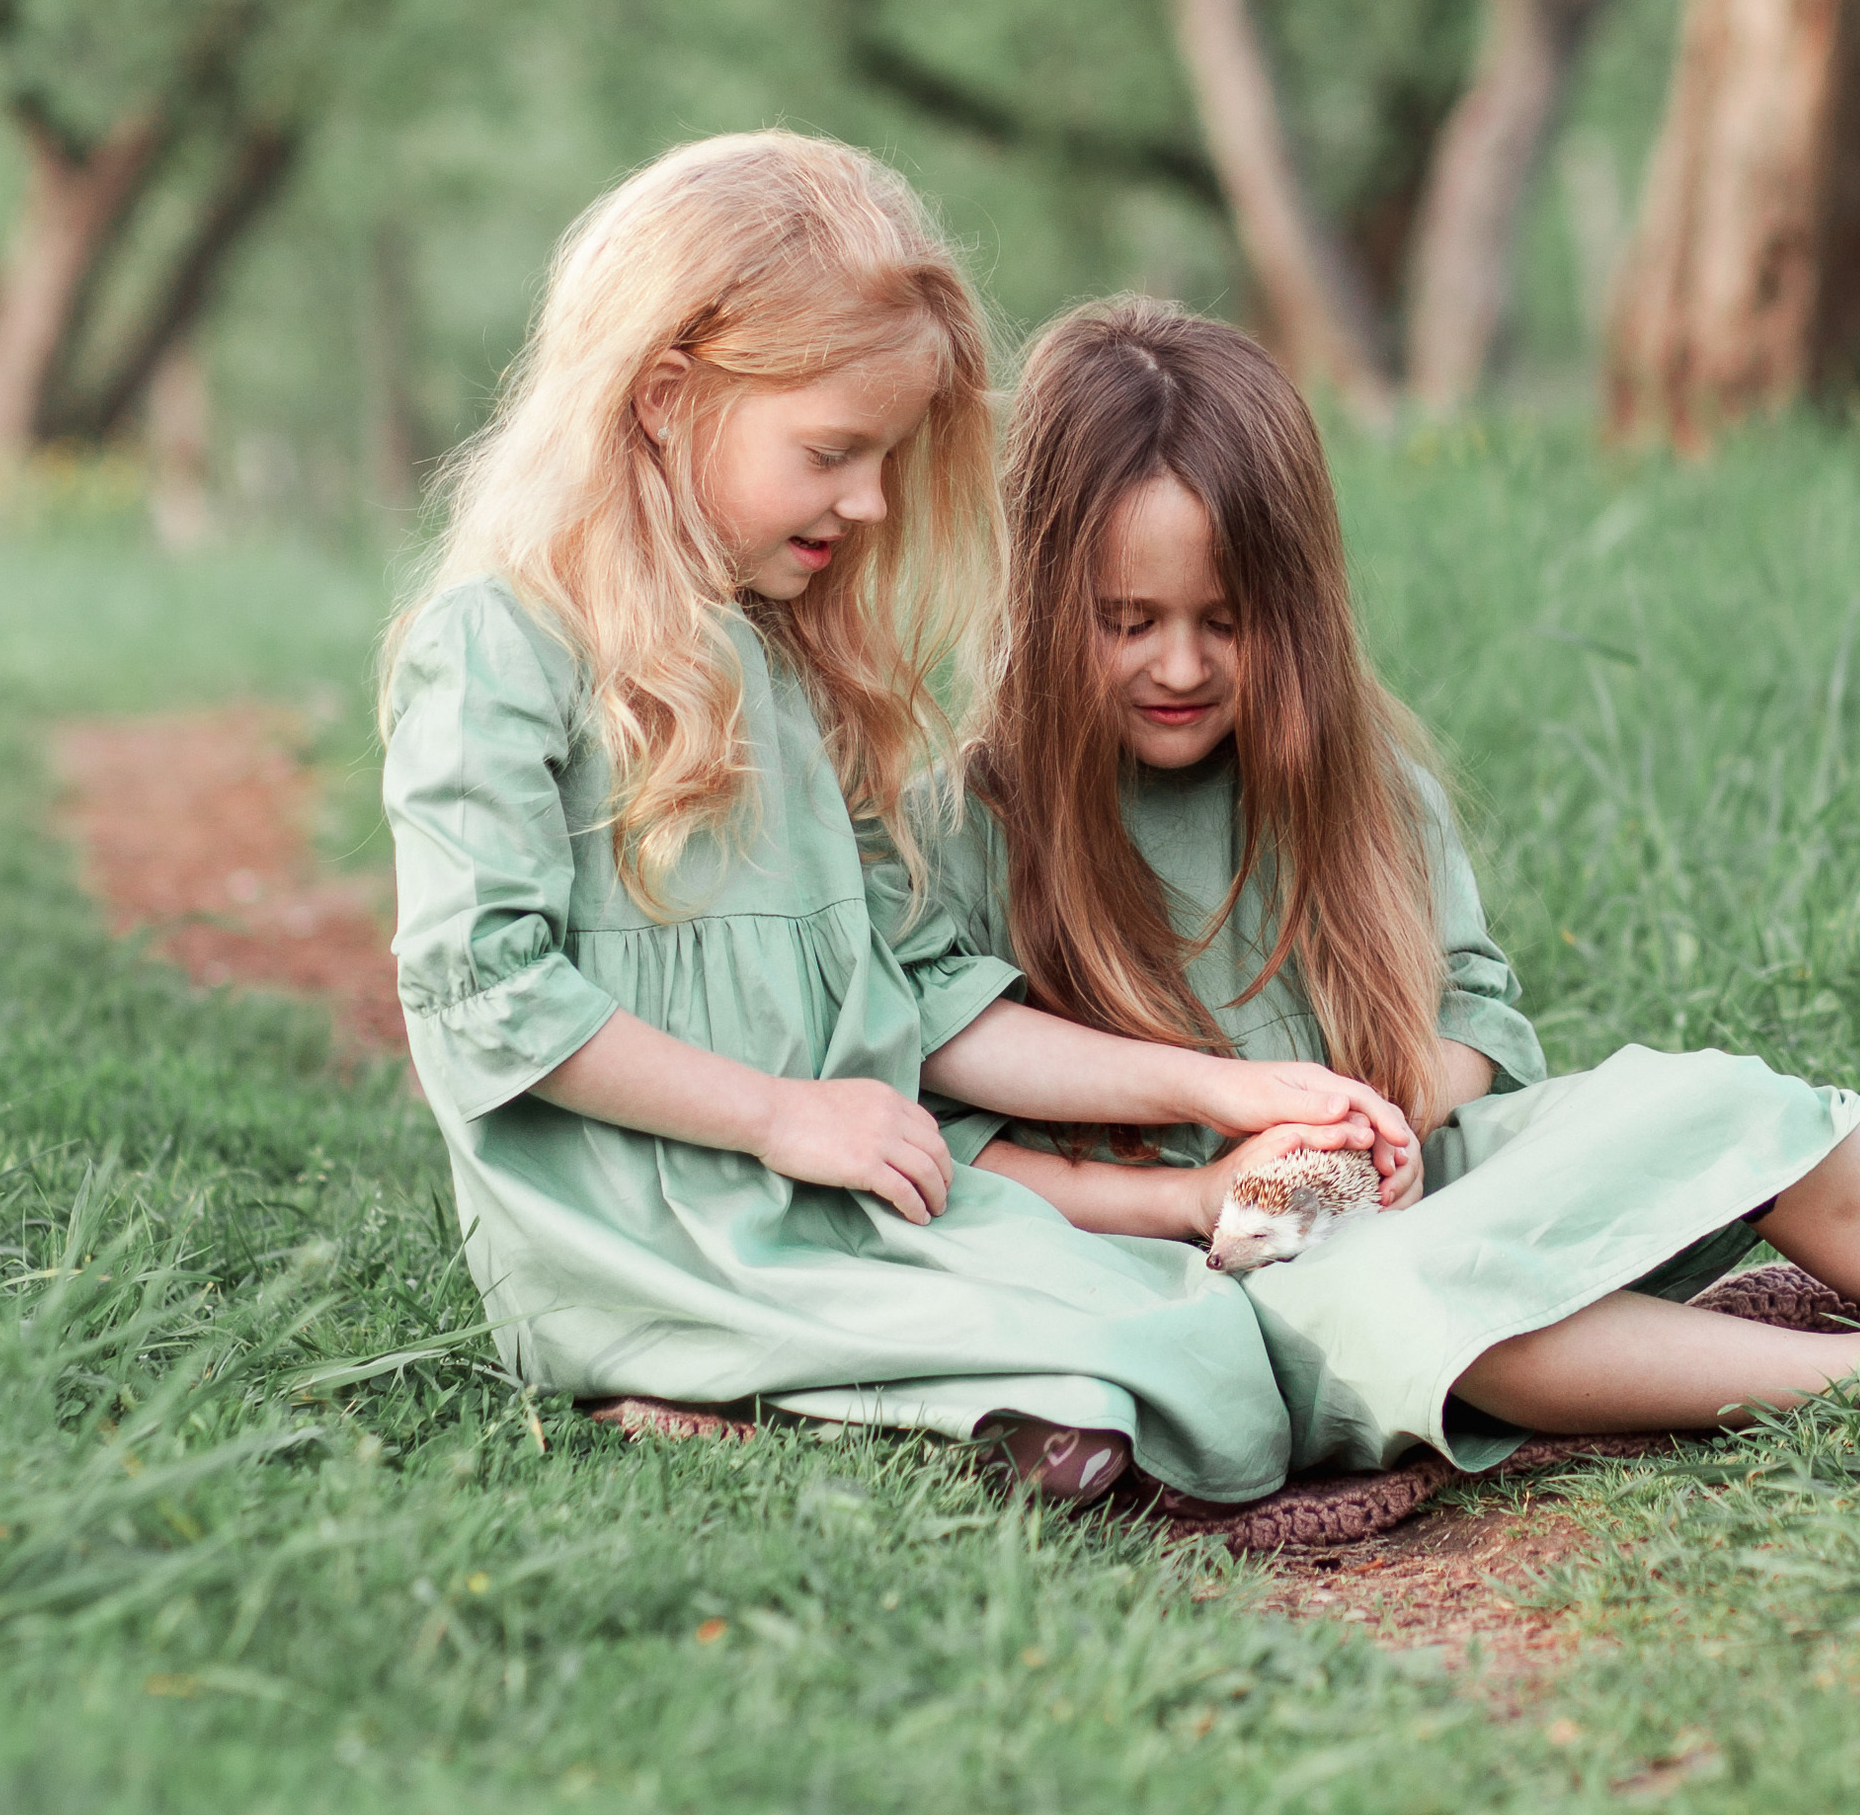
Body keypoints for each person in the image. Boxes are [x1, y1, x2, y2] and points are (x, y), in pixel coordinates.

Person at [912, 298, 1860, 1481]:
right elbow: (953, 1151)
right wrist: (1194, 1196)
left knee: (1714, 1101)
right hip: (1230, 1275)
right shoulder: (959, 829)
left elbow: (1474, 1008)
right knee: (1418, 1306)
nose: (1179, 664)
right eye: (1127, 623)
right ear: (1036, 595)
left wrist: (1387, 1120)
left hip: (1431, 1179)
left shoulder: (1353, 786)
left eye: (1224, 622)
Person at [380, 142, 1411, 1506]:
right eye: (832, 452)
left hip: (831, 1200)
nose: (868, 502)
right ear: (669, 397)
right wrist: (774, 1118)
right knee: (1151, 1369)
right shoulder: (500, 649)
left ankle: (954, 1400)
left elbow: (926, 997)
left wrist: (1214, 1090)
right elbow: (485, 997)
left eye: (885, 459)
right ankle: (742, 1379)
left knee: (1203, 1339)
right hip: (644, 1225)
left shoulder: (795, 666)